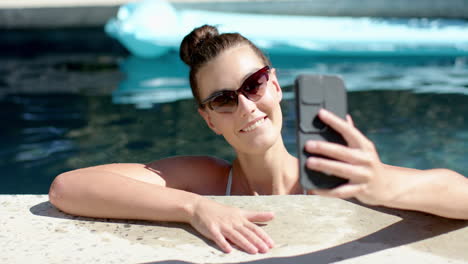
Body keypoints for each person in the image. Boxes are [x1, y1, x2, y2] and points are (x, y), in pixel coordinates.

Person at [49, 24, 468, 255]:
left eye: (254, 84)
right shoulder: (210, 181)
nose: (248, 107)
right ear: (209, 119)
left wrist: (380, 183)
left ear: (275, 84)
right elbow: (69, 187)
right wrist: (194, 208)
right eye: (224, 99)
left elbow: (461, 194)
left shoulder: (336, 174)